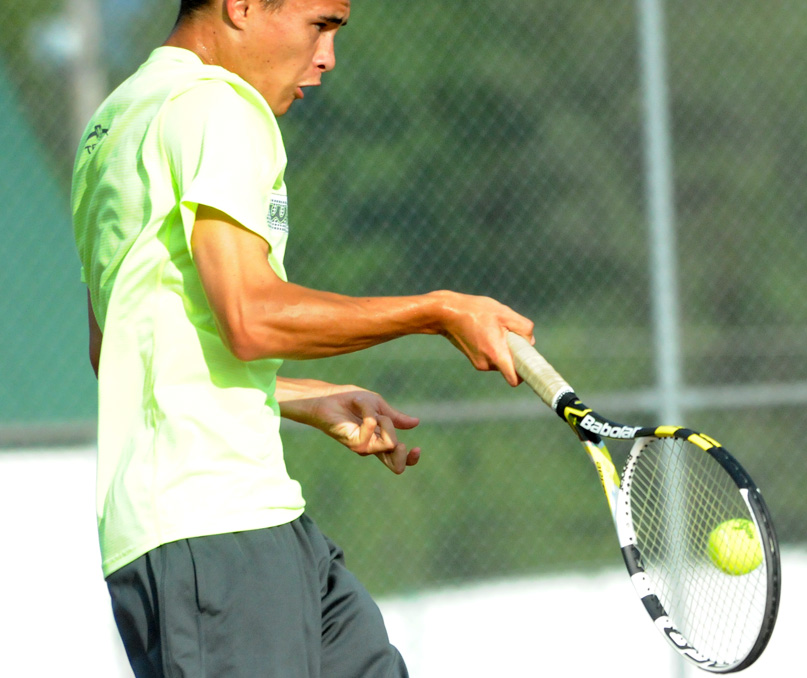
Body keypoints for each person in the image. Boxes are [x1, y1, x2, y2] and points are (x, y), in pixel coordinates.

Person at [70, 1, 535, 676]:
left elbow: (114, 350)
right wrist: (436, 311)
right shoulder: (216, 106)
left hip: (248, 522)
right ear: (242, 6)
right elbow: (252, 316)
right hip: (215, 538)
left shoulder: (115, 121)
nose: (328, 56)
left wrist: (300, 397)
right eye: (321, 23)